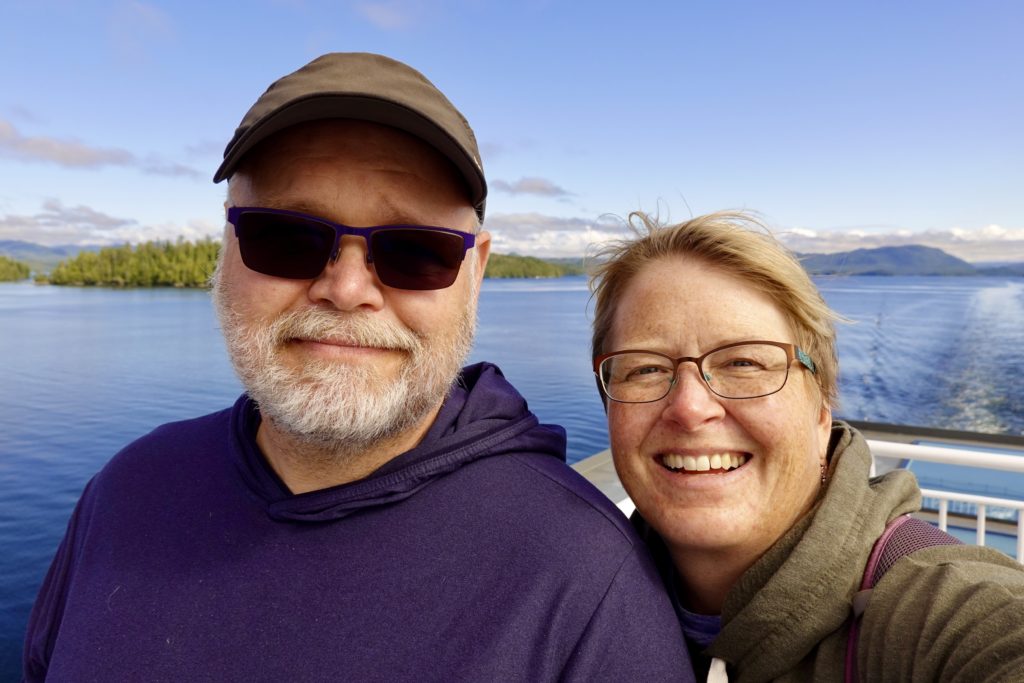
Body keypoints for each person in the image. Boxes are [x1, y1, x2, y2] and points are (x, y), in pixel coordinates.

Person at [23, 53, 693, 682]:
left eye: (415, 251)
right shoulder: (127, 491)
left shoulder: (585, 582)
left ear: (476, 272)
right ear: (228, 245)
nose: (346, 290)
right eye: (285, 236)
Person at [588, 210, 1024, 681]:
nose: (691, 408)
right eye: (646, 369)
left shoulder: (941, 613)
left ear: (821, 415)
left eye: (745, 362)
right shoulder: (579, 601)